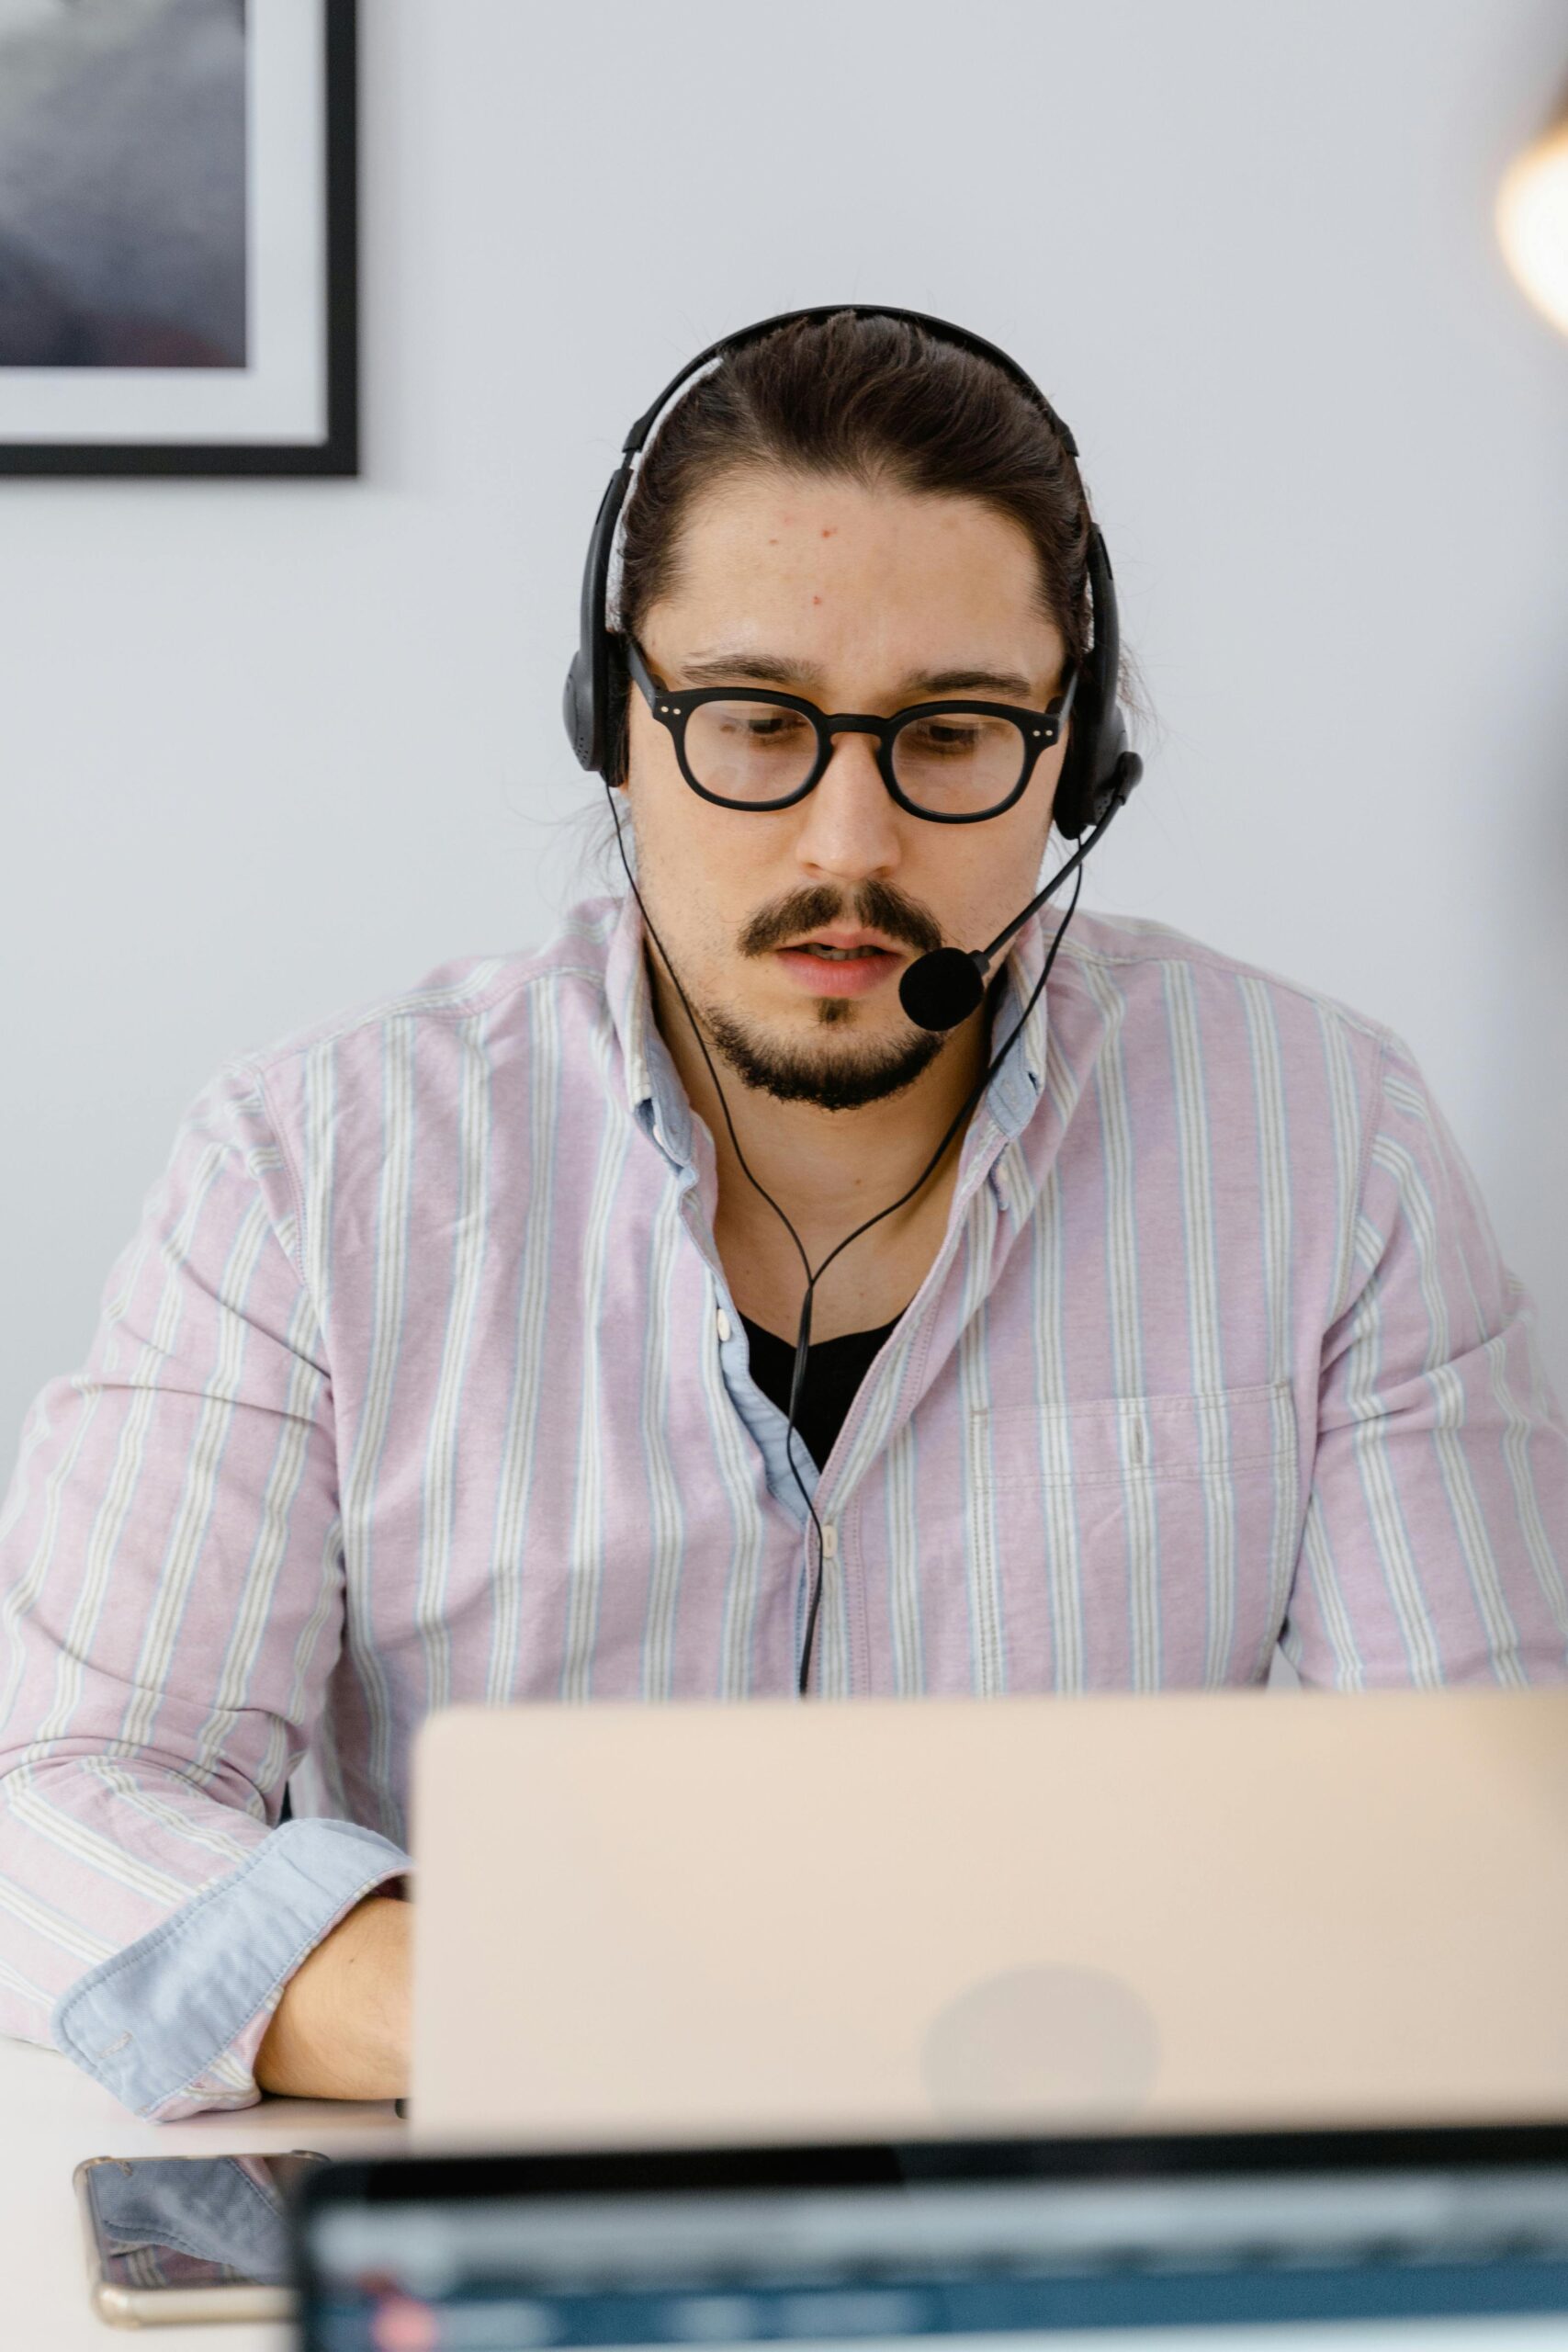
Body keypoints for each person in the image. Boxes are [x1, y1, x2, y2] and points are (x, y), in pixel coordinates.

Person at [1, 308, 1564, 2124]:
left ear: (1075, 762)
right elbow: (56, 1802)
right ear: (614, 725)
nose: (846, 843)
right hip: (517, 2171)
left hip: (1087, 2184)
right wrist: (545, 2010)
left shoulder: (1327, 1143)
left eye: (952, 734)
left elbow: (1490, 1846)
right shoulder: (309, 1170)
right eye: (754, 722)